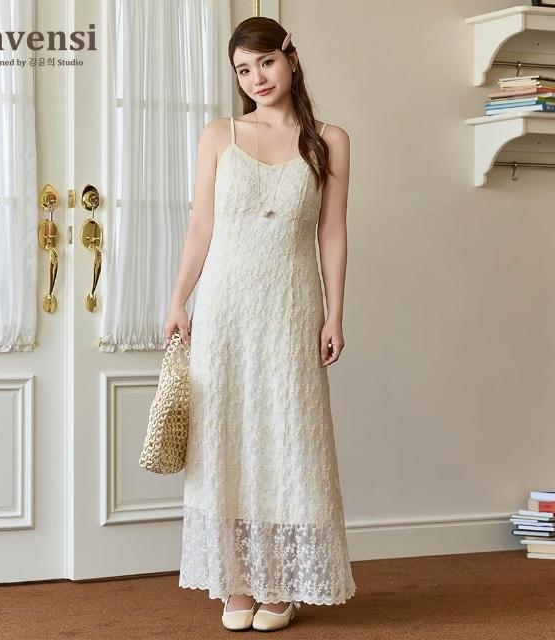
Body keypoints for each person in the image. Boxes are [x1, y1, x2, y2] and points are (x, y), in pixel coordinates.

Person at [163, 16, 355, 632]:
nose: (256, 78)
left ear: (290, 58)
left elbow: (332, 232)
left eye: (265, 62)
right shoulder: (219, 134)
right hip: (225, 307)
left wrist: (335, 312)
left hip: (291, 305)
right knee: (226, 437)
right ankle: (237, 580)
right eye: (243, 70)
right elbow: (201, 225)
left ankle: (279, 581)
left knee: (286, 436)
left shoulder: (330, 140)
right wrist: (178, 300)